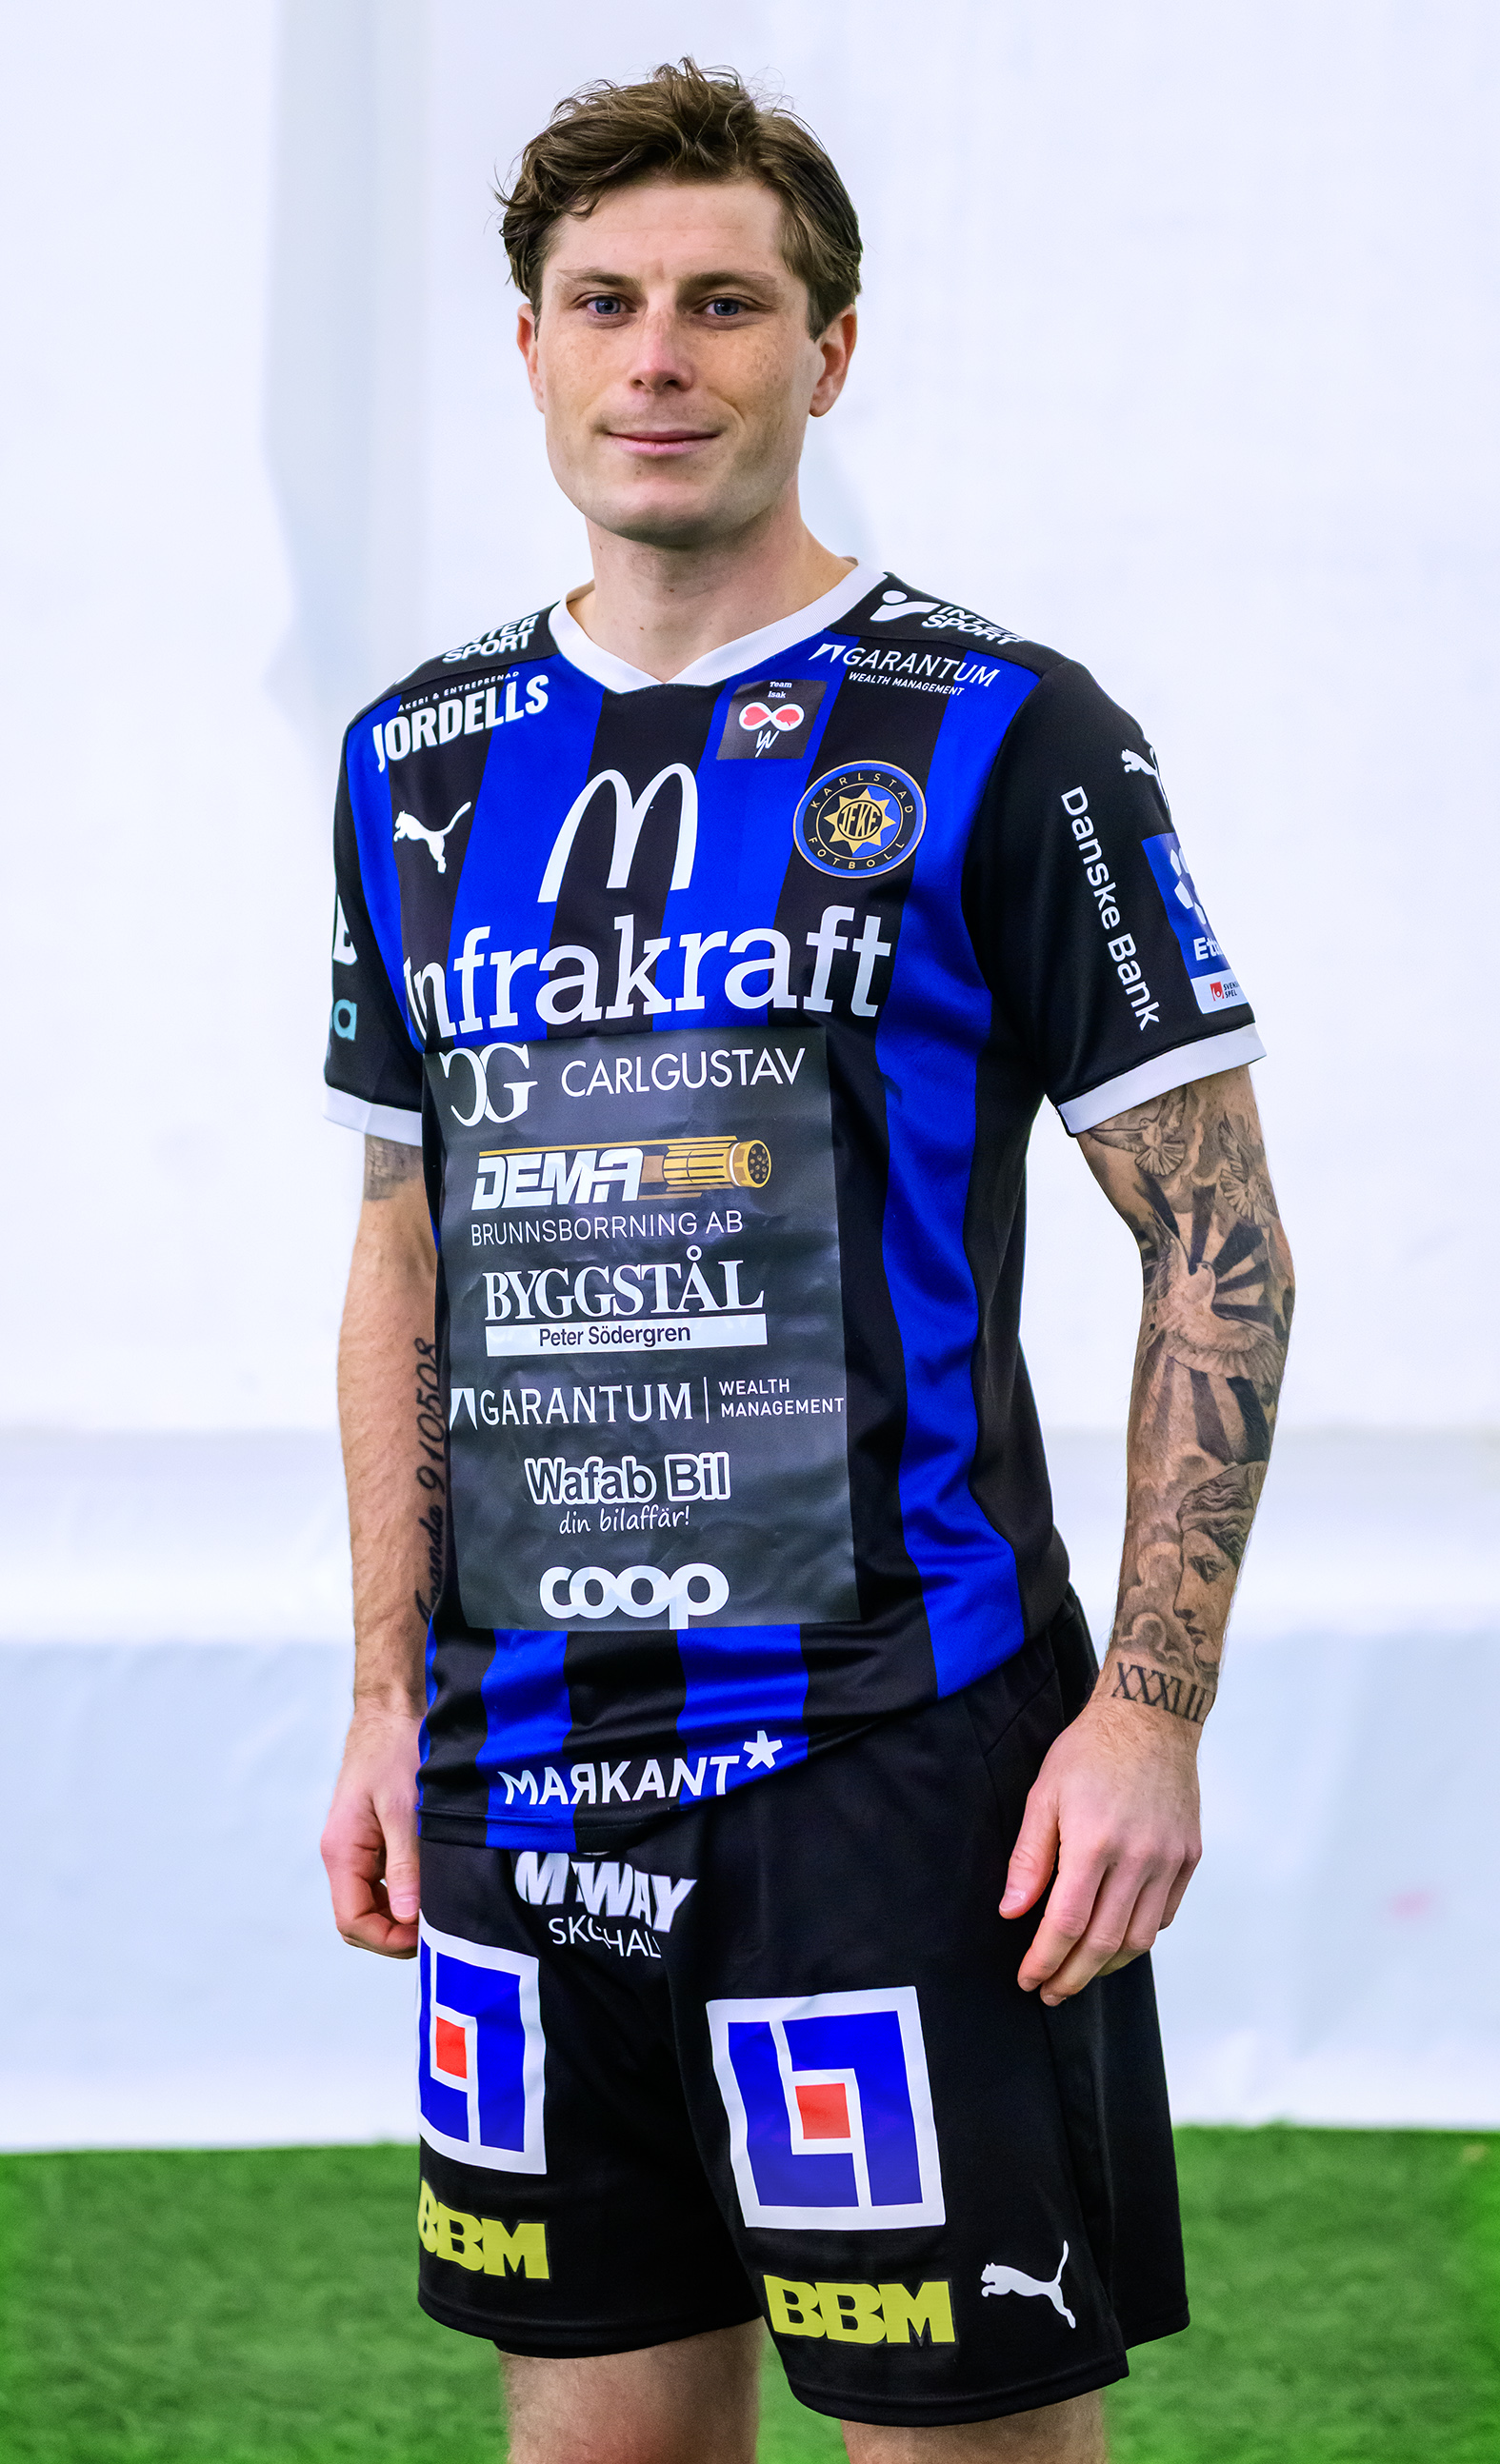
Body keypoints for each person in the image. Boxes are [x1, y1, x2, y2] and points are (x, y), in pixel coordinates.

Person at [320, 59, 1293, 2464]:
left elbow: (1218, 1242)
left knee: (957, 2436)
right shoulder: (413, 759)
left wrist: (1145, 1709)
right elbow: (405, 1246)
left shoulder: (1002, 732)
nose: (658, 357)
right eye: (603, 304)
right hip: (518, 1765)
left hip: (893, 1756)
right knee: (594, 2440)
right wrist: (379, 1695)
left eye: (723, 303)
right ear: (530, 349)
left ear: (825, 350)